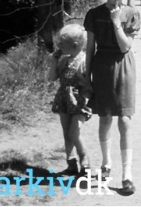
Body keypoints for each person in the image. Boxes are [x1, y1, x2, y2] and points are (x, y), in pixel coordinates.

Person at [84, 0, 141, 195]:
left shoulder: (132, 13)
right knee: (105, 117)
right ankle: (106, 164)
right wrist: (86, 78)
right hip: (102, 67)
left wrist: (116, 21)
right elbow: (90, 48)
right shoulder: (94, 14)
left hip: (124, 67)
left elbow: (126, 46)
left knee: (125, 119)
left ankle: (127, 173)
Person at [49, 23, 92, 177]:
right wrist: (54, 61)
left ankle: (85, 161)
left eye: (61, 44)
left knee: (74, 132)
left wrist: (86, 100)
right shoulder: (63, 60)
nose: (58, 46)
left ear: (74, 45)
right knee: (67, 132)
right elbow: (52, 78)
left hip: (80, 100)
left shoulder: (85, 62)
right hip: (64, 99)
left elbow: (90, 84)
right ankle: (71, 163)